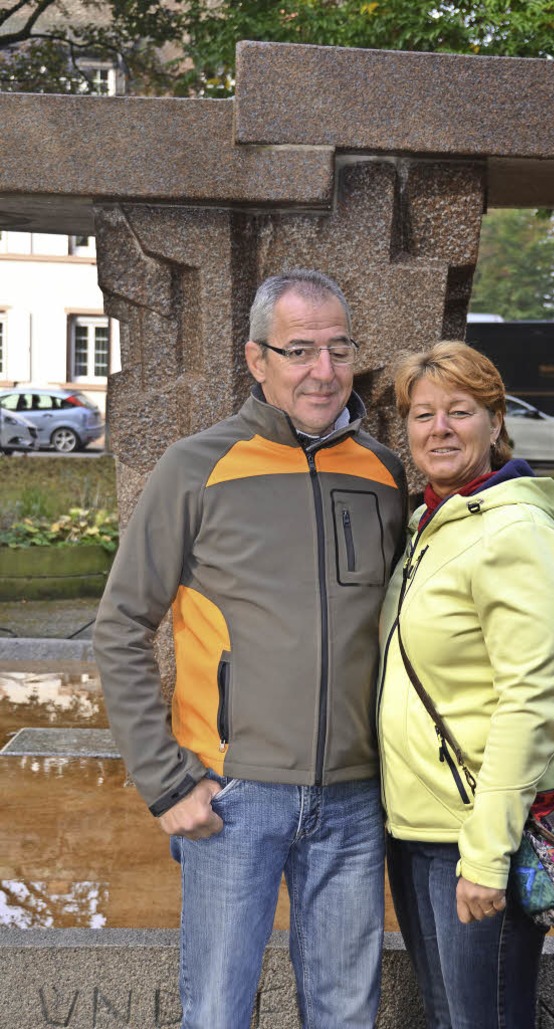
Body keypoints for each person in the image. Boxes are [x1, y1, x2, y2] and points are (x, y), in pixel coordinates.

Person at [93, 268, 407, 1029]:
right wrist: (167, 782)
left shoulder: (384, 472)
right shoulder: (196, 468)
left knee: (345, 1013)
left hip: (356, 801)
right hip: (233, 798)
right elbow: (121, 623)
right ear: (256, 358)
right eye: (299, 350)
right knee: (218, 1012)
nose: (324, 371)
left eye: (339, 348)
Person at [377, 341, 554, 1029]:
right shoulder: (434, 520)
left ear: (496, 421)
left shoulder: (514, 528)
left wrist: (487, 854)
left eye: (460, 411)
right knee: (450, 1016)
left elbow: (530, 700)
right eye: (423, 413)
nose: (439, 428)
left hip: (477, 832)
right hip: (418, 827)